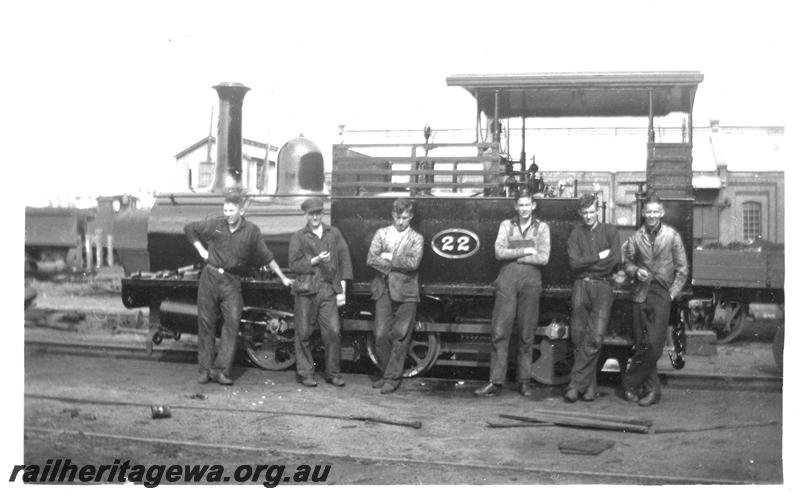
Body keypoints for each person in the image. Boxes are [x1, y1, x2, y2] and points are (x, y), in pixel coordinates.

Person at [184, 191, 293, 386]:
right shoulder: (216, 224)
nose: (227, 214)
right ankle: (205, 370)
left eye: (231, 210)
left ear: (241, 210)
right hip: (209, 277)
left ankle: (222, 371)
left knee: (233, 324)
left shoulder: (252, 231)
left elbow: (267, 257)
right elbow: (189, 228)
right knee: (206, 323)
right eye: (225, 209)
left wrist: (283, 278)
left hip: (232, 281)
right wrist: (200, 249)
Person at [475, 188, 550, 397]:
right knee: (500, 332)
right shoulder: (506, 225)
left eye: (528, 205)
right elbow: (499, 252)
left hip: (531, 281)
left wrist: (514, 256)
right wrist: (525, 251)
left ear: (533, 205)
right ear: (515, 206)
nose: (524, 209)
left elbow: (544, 258)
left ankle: (524, 381)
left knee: (527, 333)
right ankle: (495, 381)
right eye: (521, 205)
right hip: (507, 280)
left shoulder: (542, 227)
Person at [622, 194, 688, 407]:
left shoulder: (672, 236)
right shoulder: (635, 238)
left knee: (654, 345)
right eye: (647, 212)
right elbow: (628, 263)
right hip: (640, 293)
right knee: (642, 343)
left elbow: (682, 270)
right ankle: (652, 390)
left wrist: (671, 293)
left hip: (661, 293)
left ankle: (630, 382)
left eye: (655, 212)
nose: (651, 215)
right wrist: (635, 271)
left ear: (661, 213)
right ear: (643, 213)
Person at [288, 197, 353, 388]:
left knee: (333, 331)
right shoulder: (298, 237)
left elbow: (344, 259)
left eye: (318, 213)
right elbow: (293, 265)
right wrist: (314, 261)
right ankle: (306, 373)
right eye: (311, 214)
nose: (315, 217)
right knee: (303, 332)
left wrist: (343, 289)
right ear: (305, 215)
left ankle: (332, 373)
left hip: (327, 289)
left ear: (322, 214)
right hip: (306, 291)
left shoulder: (334, 234)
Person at [564, 193, 620, 402]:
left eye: (591, 211)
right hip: (581, 287)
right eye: (585, 212)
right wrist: (598, 257)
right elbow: (574, 264)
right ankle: (590, 387)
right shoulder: (575, 235)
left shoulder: (611, 231)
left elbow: (614, 260)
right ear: (580, 213)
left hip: (603, 288)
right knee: (579, 339)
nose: (588, 216)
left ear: (598, 210)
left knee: (595, 338)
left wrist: (588, 262)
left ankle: (575, 385)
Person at [366, 199, 424, 394]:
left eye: (405, 218)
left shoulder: (416, 238)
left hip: (406, 293)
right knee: (381, 335)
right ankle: (388, 373)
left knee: (400, 337)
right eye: (398, 217)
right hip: (383, 290)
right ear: (392, 215)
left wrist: (389, 258)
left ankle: (392, 378)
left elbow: (414, 263)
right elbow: (371, 258)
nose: (401, 222)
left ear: (411, 216)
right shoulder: (381, 233)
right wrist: (396, 263)